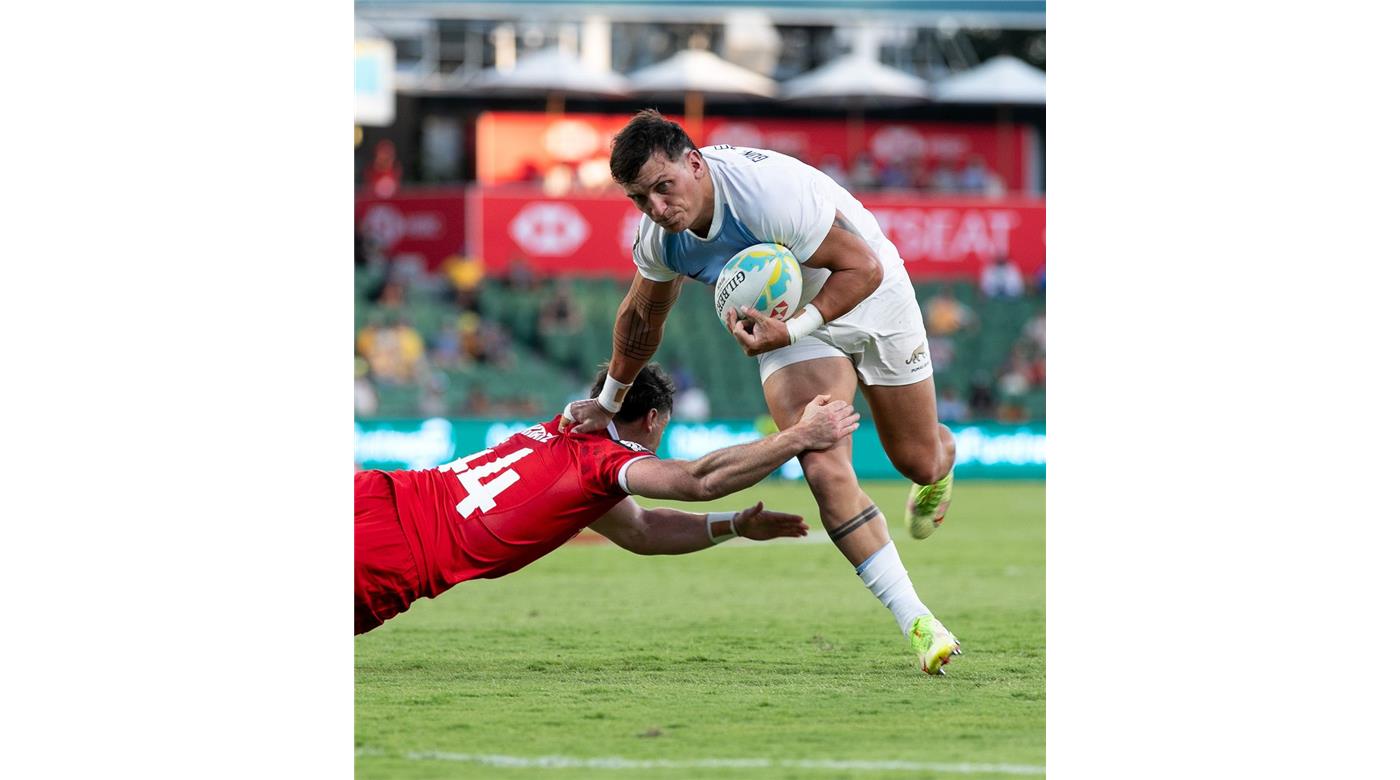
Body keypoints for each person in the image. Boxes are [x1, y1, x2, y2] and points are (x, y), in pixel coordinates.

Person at [561, 110, 962, 675]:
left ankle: (942, 464)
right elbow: (641, 318)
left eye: (662, 187)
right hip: (787, 318)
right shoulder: (660, 239)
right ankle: (918, 621)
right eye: (639, 199)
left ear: (694, 164)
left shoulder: (765, 194)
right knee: (819, 458)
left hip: (870, 289)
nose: (655, 208)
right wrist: (606, 404)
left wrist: (791, 328)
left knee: (917, 459)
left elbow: (861, 267)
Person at [355, 364, 860, 635]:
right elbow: (697, 479)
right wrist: (798, 436)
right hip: (398, 555)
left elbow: (641, 531)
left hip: (374, 494)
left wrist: (731, 525)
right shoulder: (607, 459)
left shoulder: (563, 427)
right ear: (655, 420)